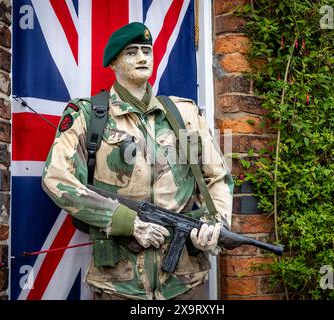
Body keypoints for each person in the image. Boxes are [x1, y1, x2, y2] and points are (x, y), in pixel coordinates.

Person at [42, 22, 233, 300]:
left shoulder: (183, 116)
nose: (143, 57)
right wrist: (125, 221)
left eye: (147, 51)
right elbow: (57, 178)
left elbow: (216, 177)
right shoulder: (90, 115)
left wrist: (214, 223)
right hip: (119, 283)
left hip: (185, 283)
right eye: (131, 52)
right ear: (114, 63)